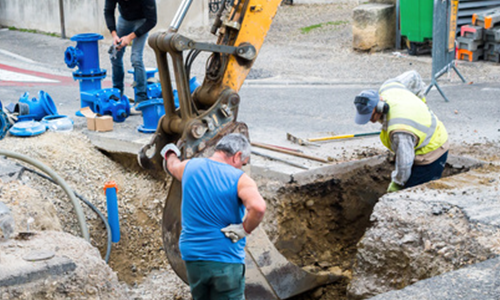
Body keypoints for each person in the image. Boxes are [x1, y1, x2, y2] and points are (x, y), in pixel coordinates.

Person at [162, 133, 266, 299]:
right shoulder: (240, 179)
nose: (241, 168)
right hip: (225, 258)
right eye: (242, 163)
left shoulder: (190, 167)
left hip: (193, 257)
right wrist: (244, 229)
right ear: (237, 156)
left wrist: (170, 153)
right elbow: (258, 208)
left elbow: (173, 166)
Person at [353, 81, 449, 193]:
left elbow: (404, 165)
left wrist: (396, 185)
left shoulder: (399, 129)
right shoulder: (389, 86)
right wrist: (421, 99)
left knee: (412, 195)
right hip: (420, 138)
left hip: (432, 150)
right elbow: (413, 76)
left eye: (371, 116)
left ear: (380, 107)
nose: (370, 120)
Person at [104, 0, 157, 105]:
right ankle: (117, 93)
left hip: (143, 21)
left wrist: (129, 37)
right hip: (124, 20)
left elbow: (152, 21)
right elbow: (108, 11)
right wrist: (114, 35)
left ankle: (141, 98)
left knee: (136, 58)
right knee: (114, 55)